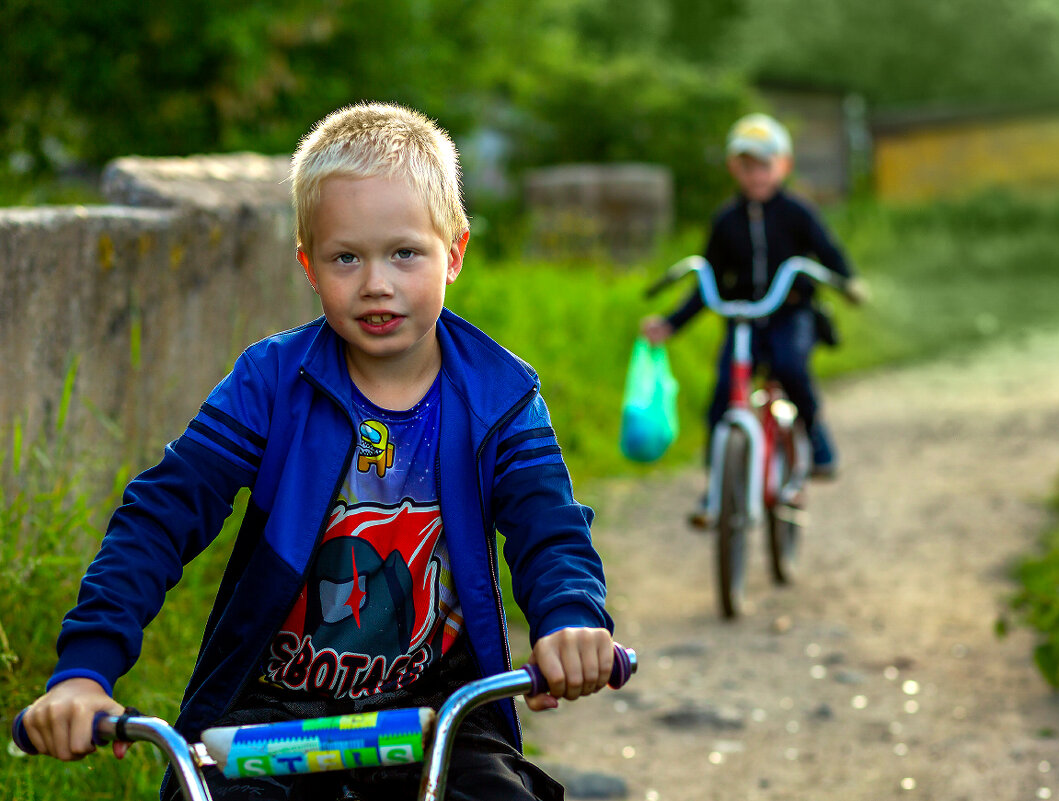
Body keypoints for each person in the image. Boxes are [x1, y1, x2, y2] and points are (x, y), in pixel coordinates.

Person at [20, 101, 615, 801]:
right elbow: (161, 515)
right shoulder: (270, 382)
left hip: (435, 715)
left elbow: (550, 525)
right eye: (345, 257)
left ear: (453, 251)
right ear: (308, 263)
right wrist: (86, 670)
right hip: (270, 712)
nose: (376, 283)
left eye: (404, 252)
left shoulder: (501, 396)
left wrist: (572, 615)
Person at [641, 113, 866, 523]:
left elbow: (828, 252)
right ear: (734, 169)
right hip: (743, 321)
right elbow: (707, 280)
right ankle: (716, 492)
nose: (756, 174)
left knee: (790, 367)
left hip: (790, 314)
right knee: (723, 395)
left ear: (784, 165)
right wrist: (671, 323)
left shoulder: (798, 212)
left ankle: (816, 439)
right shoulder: (726, 220)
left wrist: (849, 282)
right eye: (747, 166)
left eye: (764, 164)